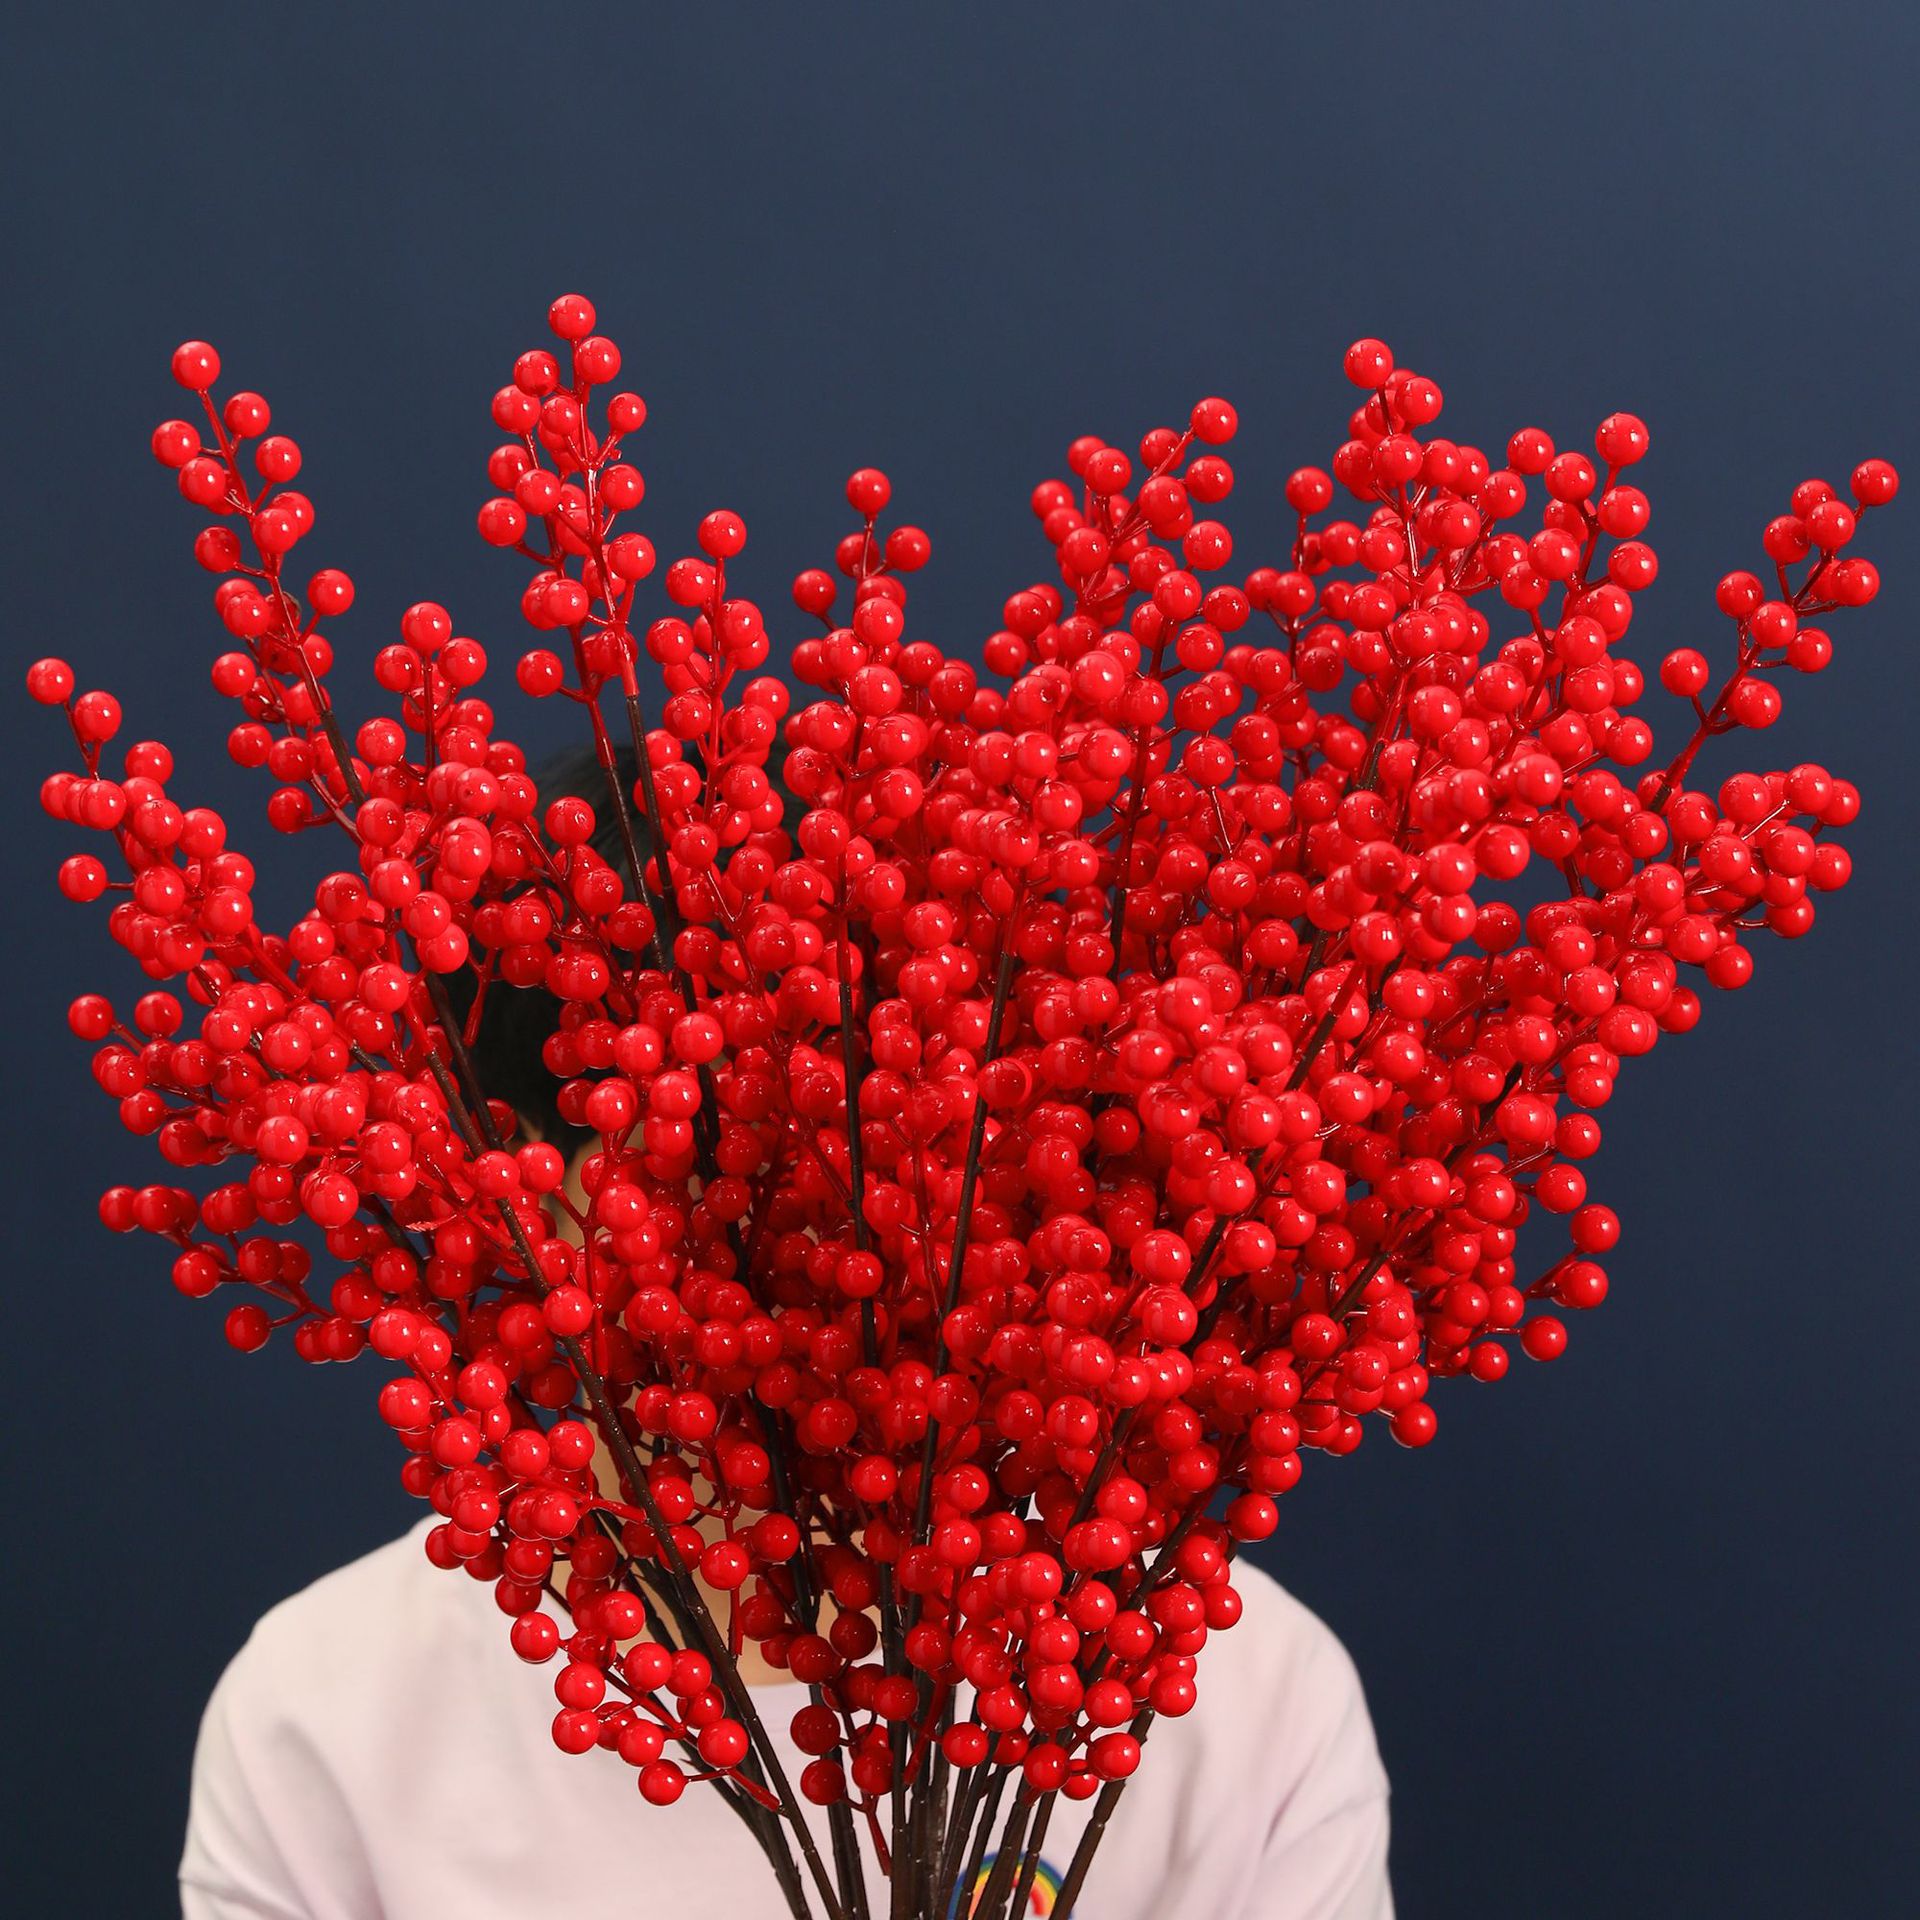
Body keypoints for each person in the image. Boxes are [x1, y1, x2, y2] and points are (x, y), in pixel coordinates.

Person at [180, 745, 1395, 1920]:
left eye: (847, 1132)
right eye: (712, 1154)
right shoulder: (326, 1722)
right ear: (519, 1194)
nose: (802, 1219)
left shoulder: (1233, 1701)